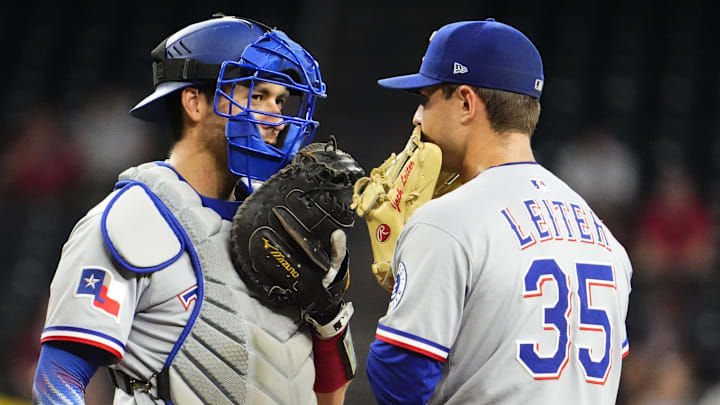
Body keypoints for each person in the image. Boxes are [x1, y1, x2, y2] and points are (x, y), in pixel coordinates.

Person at [32, 14, 355, 405]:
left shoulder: (291, 227)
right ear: (194, 102)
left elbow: (326, 396)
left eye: (280, 100)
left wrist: (328, 315)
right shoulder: (132, 218)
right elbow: (58, 379)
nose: (275, 116)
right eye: (257, 95)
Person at [365, 19, 633, 404]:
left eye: (425, 98)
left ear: (465, 102)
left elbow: (399, 380)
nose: (417, 118)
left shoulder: (446, 222)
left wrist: (405, 293)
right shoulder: (604, 237)